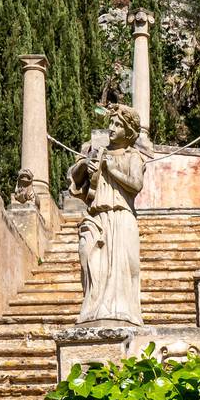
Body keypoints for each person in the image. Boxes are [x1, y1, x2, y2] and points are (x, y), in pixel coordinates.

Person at [68, 104, 145, 327]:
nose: (111, 128)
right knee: (92, 262)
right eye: (111, 123)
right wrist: (85, 165)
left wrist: (112, 169)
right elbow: (75, 182)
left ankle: (125, 312)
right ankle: (93, 309)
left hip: (122, 216)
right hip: (98, 216)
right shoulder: (98, 152)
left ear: (129, 131)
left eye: (118, 125)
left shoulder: (134, 156)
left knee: (126, 266)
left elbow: (136, 185)